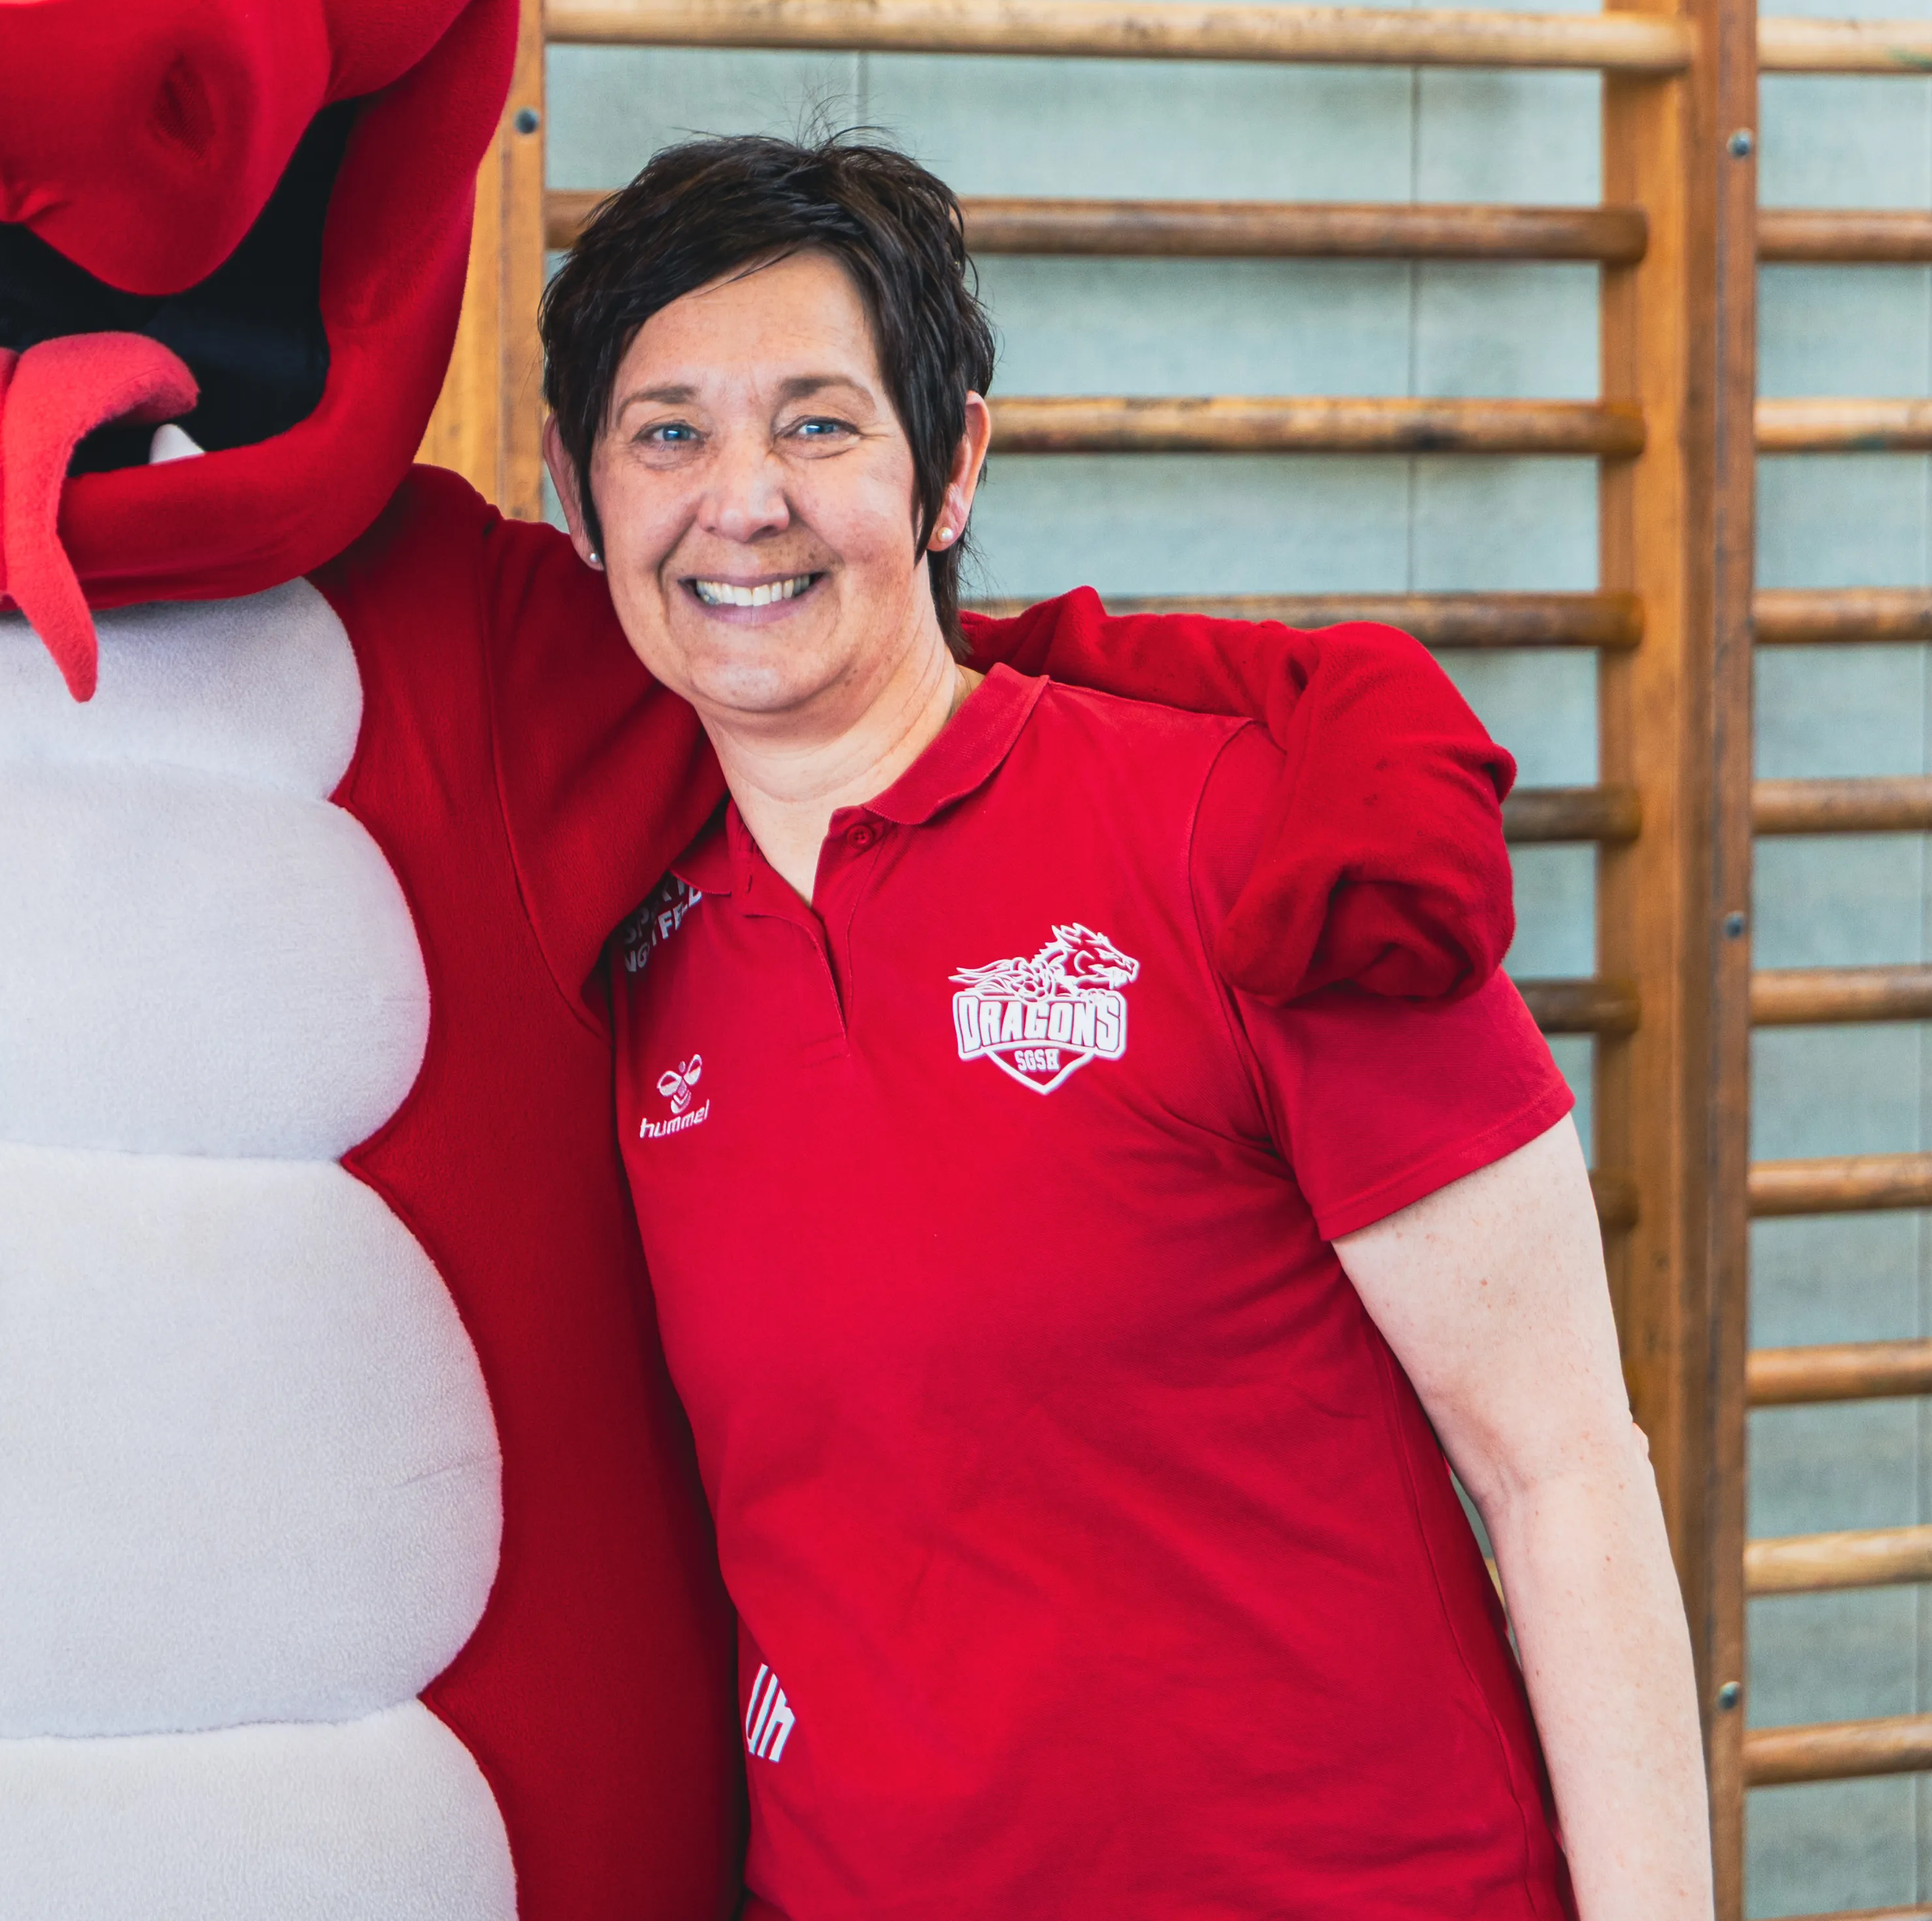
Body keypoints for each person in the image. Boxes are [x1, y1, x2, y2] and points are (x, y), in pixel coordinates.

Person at [541, 130, 1708, 1921]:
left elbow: (1559, 1469)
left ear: (952, 469)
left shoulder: (1249, 833)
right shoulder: (614, 950)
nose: (742, 498)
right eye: (667, 432)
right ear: (576, 490)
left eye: (819, 422)